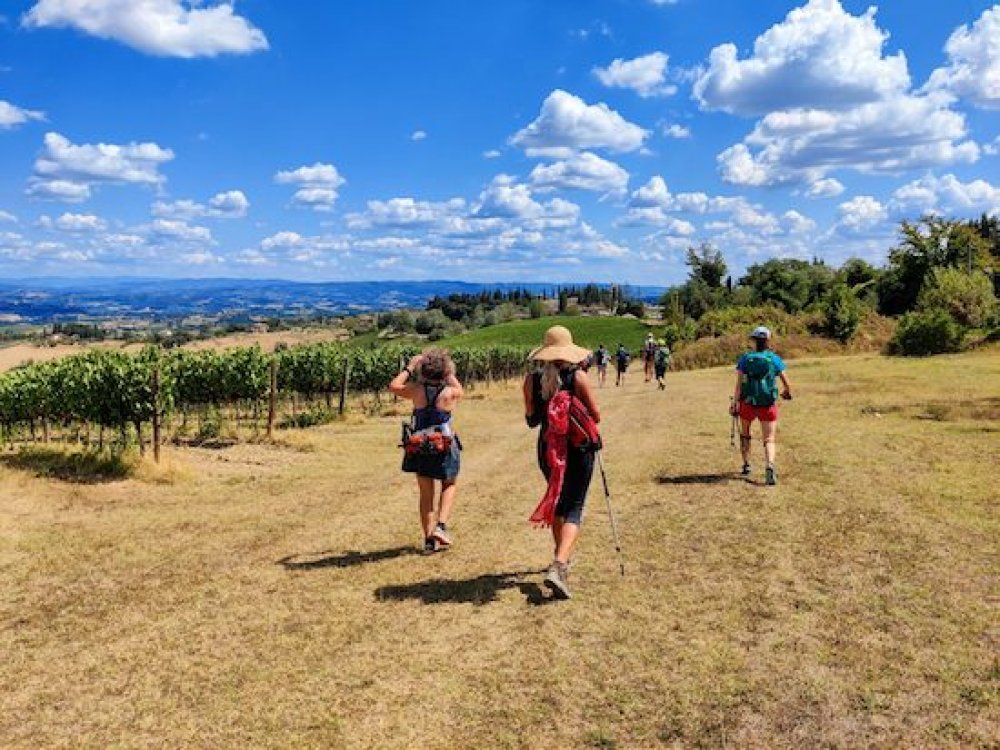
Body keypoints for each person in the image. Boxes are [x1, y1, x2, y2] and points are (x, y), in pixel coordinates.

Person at [523, 325, 601, 600]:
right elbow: (596, 415)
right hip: (578, 448)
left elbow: (531, 419)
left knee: (559, 501)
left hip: (548, 449)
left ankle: (561, 561)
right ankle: (559, 565)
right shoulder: (577, 376)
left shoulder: (531, 381)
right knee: (575, 506)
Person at [389, 348, 464, 553]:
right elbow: (460, 389)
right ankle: (441, 525)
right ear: (445, 371)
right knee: (449, 484)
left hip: (420, 445)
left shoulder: (416, 390)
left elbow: (394, 386)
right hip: (445, 444)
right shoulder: (450, 393)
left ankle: (429, 539)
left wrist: (410, 367)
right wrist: (448, 373)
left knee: (426, 494)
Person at [730, 326, 792, 486]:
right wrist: (787, 393)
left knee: (745, 434)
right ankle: (770, 465)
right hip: (768, 405)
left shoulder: (745, 359)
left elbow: (738, 386)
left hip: (747, 403)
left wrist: (734, 403)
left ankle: (746, 464)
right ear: (769, 340)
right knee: (769, 439)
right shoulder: (774, 359)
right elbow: (787, 383)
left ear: (753, 340)